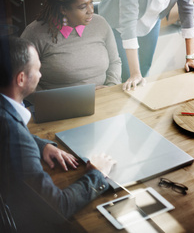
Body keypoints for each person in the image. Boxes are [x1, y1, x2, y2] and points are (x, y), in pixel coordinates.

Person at [0, 36, 115, 232]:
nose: (40, 74)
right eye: (37, 69)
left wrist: (41, 144)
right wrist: (97, 174)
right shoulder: (14, 134)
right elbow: (56, 208)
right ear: (21, 79)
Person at [21, 0, 121, 90]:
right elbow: (22, 79)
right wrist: (53, 101)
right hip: (60, 105)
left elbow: (115, 62)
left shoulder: (100, 24)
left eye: (91, 2)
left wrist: (110, 88)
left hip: (105, 99)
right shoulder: (35, 34)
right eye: (83, 7)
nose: (91, 11)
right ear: (63, 9)